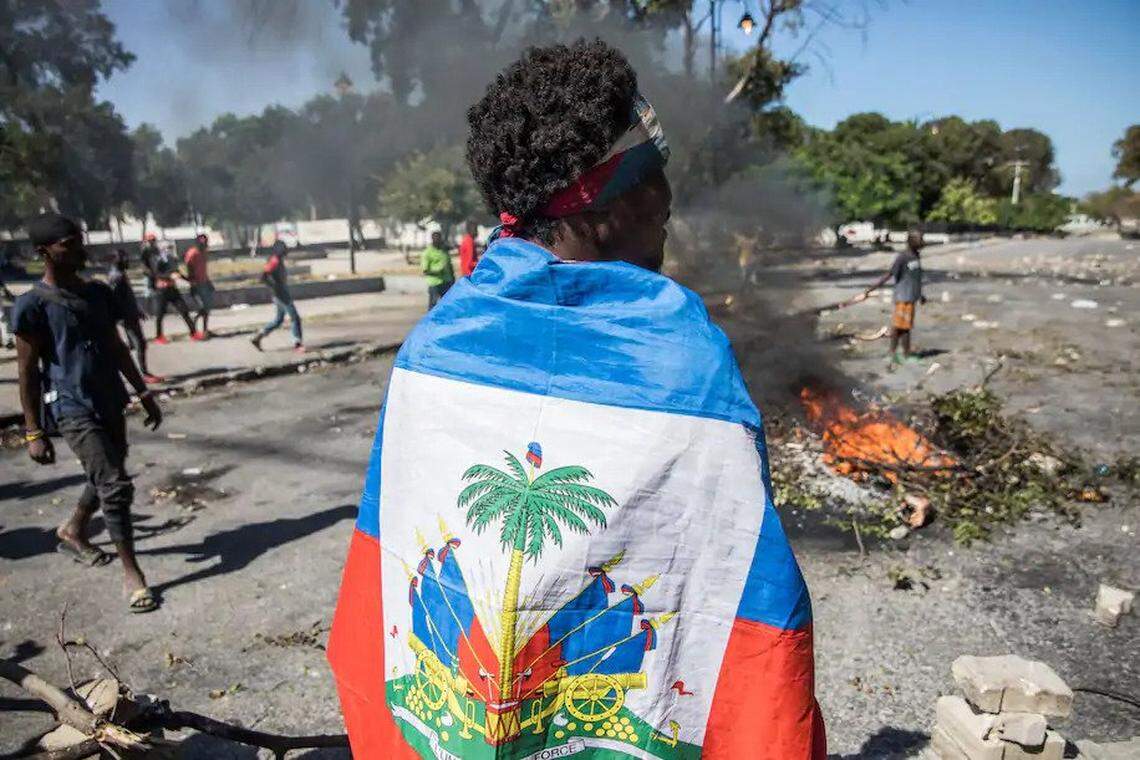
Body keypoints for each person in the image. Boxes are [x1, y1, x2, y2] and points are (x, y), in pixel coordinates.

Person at [328, 40, 825, 760]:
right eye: (651, 171)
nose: (667, 198)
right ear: (599, 202)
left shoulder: (433, 346)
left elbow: (385, 585)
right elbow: (741, 610)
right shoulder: (683, 362)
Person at [13, 214, 163, 614]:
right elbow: (26, 373)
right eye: (69, 244)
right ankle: (133, 575)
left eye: (80, 240)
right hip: (70, 405)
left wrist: (143, 392)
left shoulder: (97, 293)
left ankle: (74, 530)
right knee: (114, 484)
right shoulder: (32, 305)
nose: (80, 250)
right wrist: (33, 431)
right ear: (44, 252)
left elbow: (117, 347)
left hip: (109, 398)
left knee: (109, 470)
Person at [857, 230, 926, 362]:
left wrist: (920, 294)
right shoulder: (903, 257)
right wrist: (871, 289)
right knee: (900, 326)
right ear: (910, 241)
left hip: (911, 297)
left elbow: (916, 278)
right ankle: (894, 354)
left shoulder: (916, 256)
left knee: (906, 327)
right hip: (902, 297)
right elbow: (890, 274)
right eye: (920, 239)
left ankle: (904, 353)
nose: (922, 242)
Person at [107, 248, 161, 383]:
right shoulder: (117, 277)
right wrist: (123, 316)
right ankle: (144, 374)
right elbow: (114, 300)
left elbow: (127, 297)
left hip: (130, 315)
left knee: (133, 345)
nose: (127, 261)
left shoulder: (120, 274)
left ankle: (133, 374)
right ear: (117, 261)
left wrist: (138, 311)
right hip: (127, 317)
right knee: (140, 344)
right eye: (124, 258)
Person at [250, 239, 303, 353]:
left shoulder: (277, 259)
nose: (285, 250)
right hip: (281, 294)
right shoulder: (274, 260)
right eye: (283, 248)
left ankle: (258, 337)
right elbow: (263, 277)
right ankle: (297, 343)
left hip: (280, 292)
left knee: (279, 320)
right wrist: (274, 286)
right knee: (295, 318)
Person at [151, 240, 200, 344]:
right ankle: (159, 336)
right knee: (160, 314)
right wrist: (169, 276)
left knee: (184, 310)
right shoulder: (157, 259)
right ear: (162, 249)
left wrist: (188, 279)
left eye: (171, 247)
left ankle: (194, 333)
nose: (169, 249)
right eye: (167, 247)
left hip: (172, 289)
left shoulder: (172, 259)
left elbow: (177, 272)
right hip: (162, 290)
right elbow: (156, 274)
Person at [183, 233, 215, 337]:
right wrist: (192, 283)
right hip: (196, 284)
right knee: (202, 307)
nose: (204, 245)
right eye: (202, 243)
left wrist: (209, 282)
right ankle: (194, 326)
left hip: (204, 283)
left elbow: (203, 269)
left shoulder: (204, 252)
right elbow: (189, 268)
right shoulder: (192, 253)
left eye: (205, 243)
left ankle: (205, 330)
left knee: (207, 308)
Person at [420, 230, 455, 307]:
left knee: (447, 305)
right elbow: (425, 271)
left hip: (446, 282)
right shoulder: (427, 252)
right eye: (436, 238)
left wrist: (453, 279)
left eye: (439, 238)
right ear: (432, 239)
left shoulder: (444, 251)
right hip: (434, 283)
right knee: (433, 305)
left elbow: (449, 265)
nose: (438, 240)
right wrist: (438, 272)